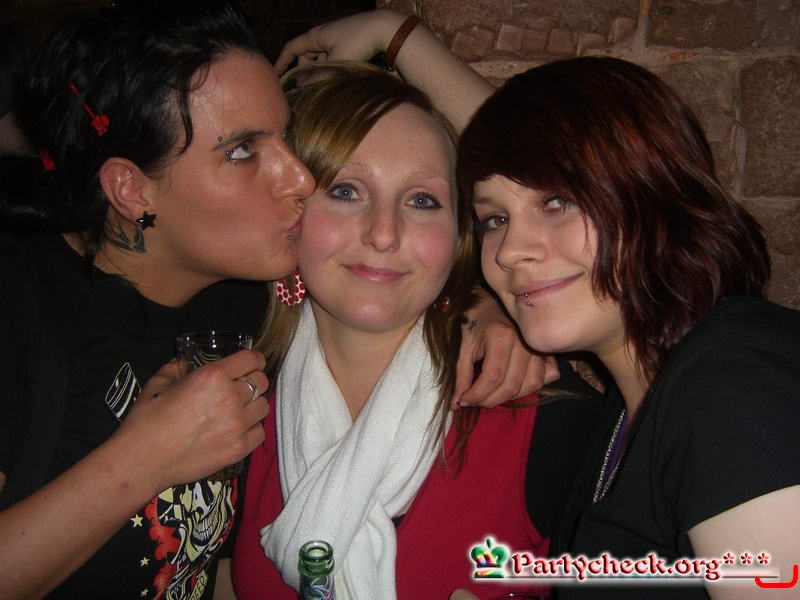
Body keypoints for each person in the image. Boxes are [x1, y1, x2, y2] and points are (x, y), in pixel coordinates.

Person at [0, 4, 555, 598]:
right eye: (242, 150)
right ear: (131, 189)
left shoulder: (242, 306)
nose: (300, 178)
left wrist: (494, 298)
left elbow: (532, 188)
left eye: (285, 137)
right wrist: (143, 460)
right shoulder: (17, 308)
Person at [230, 62, 601, 600]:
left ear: (458, 237)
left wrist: (398, 31)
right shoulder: (237, 399)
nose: (384, 234)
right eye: (346, 191)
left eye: (422, 201)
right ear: (292, 214)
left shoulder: (547, 417)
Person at [457, 56, 800, 599]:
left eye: (557, 201)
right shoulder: (633, 406)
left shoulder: (734, 384)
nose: (510, 251)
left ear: (653, 192)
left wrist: (398, 37)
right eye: (495, 219)